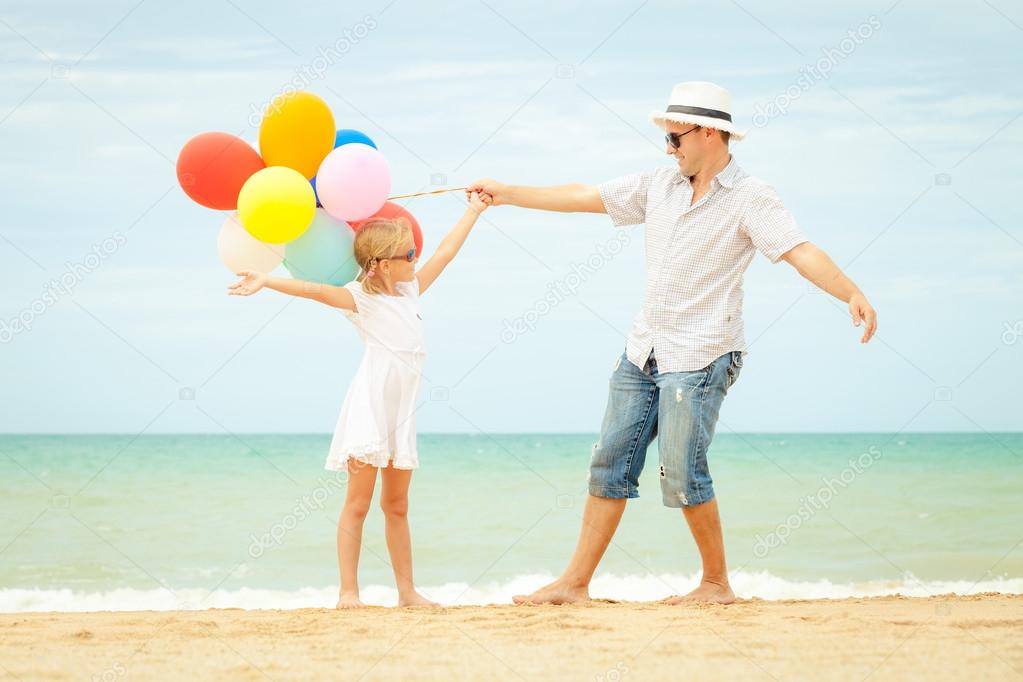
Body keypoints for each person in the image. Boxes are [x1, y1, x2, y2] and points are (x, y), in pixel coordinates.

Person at [467, 81, 877, 605]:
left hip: (702, 354)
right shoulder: (659, 185)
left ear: (710, 133)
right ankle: (574, 583)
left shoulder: (752, 197)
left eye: (675, 138)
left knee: (682, 470)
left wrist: (850, 292)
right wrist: (507, 193)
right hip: (645, 350)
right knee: (609, 463)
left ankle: (715, 585)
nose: (668, 148)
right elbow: (585, 196)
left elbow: (799, 251)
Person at [227, 190, 493, 608]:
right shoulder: (359, 298)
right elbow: (314, 290)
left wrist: (473, 211)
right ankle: (347, 593)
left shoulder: (410, 292)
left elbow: (445, 251)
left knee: (397, 505)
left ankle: (407, 592)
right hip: (370, 408)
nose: (416, 258)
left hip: (401, 413)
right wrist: (267, 280)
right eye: (409, 254)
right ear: (384, 264)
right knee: (357, 504)